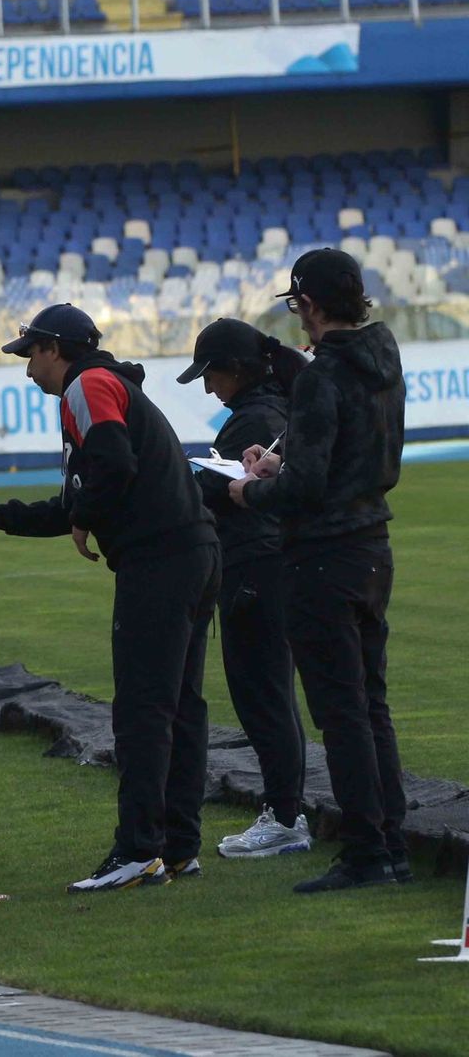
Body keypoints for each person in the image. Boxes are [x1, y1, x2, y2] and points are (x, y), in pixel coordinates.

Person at [0, 303, 220, 893]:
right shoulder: (109, 382)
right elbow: (87, 493)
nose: (26, 371)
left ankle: (139, 850)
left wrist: (86, 515)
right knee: (180, 705)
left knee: (144, 709)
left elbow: (110, 468)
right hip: (193, 550)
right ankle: (177, 846)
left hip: (160, 559)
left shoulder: (88, 383)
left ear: (54, 349)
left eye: (30, 356)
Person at [229, 248, 408, 894]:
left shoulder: (319, 377)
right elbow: (346, 462)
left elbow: (304, 489)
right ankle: (391, 843)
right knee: (372, 705)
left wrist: (253, 491)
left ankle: (365, 852)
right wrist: (286, 469)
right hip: (371, 545)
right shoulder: (383, 362)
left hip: (322, 555)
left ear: (307, 304)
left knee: (341, 713)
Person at [177, 319, 312, 860]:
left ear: (236, 369)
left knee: (262, 695)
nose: (209, 388)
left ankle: (285, 817)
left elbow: (214, 488)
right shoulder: (270, 409)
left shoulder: (256, 417)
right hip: (268, 562)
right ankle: (286, 812)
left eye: (212, 375)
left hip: (254, 565)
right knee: (270, 693)